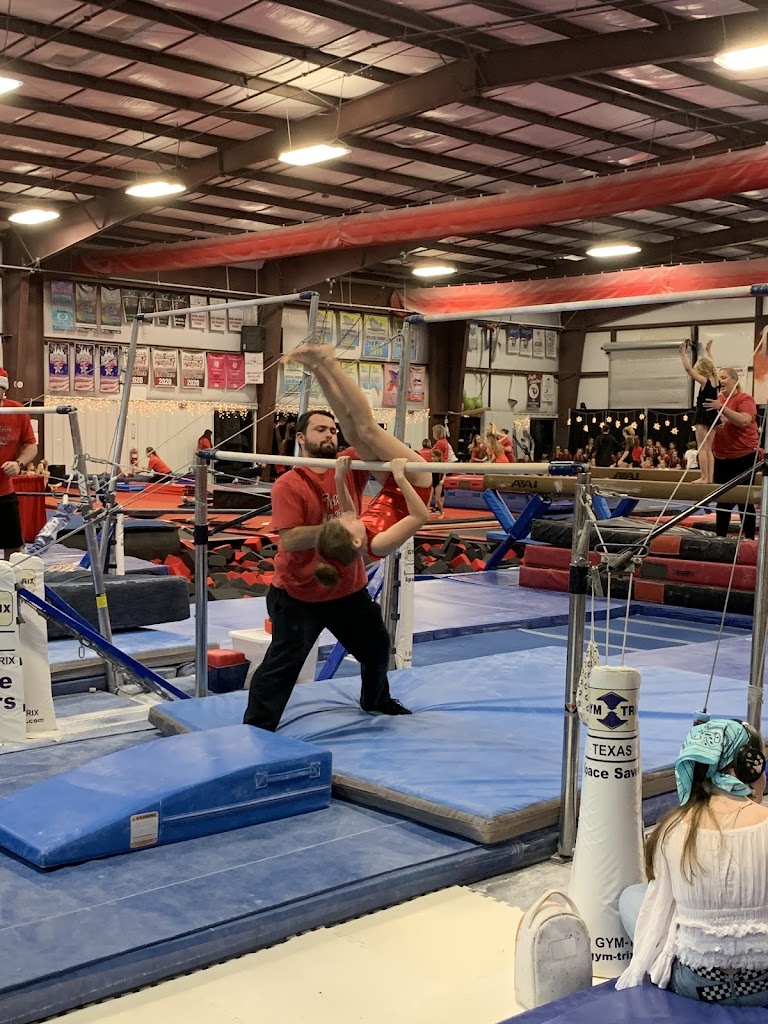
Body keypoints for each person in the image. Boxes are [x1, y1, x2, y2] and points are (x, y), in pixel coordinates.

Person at [243, 344, 421, 732]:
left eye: (330, 430)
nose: (330, 434)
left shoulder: (350, 465)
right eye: (320, 430)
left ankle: (376, 700)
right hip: (299, 593)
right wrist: (338, 530)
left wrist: (324, 373)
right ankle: (257, 728)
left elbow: (355, 420)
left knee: (375, 647)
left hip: (346, 591)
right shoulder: (289, 482)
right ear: (301, 439)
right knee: (282, 664)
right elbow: (290, 541)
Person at [616, 718, 768, 1006]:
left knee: (632, 897)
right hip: (763, 986)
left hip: (697, 985)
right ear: (751, 766)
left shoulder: (671, 830)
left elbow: (658, 914)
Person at [705, 367, 759, 539]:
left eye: (724, 377)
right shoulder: (717, 400)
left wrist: (722, 408)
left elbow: (744, 421)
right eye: (719, 377)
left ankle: (749, 537)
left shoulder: (744, 398)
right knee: (723, 501)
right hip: (722, 457)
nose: (721, 380)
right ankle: (720, 537)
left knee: (744, 501)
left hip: (743, 456)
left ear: (735, 380)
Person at [0, 368, 37, 557]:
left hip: (4, 491)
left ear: (3, 389)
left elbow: (31, 445)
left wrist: (18, 463)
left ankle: (8, 585)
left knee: (13, 548)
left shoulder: (16, 410)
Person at [680, 340, 718, 484]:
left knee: (702, 448)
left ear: (701, 371)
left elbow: (689, 370)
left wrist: (682, 354)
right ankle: (710, 477)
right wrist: (708, 352)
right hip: (714, 415)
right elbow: (712, 364)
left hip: (703, 415)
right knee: (708, 449)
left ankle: (703, 477)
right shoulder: (716, 380)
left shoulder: (704, 381)